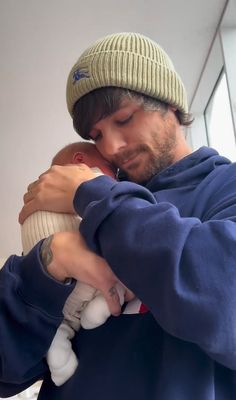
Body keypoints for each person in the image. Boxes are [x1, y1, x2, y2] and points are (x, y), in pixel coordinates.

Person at [1, 32, 236, 400]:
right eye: (96, 135)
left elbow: (226, 308)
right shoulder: (82, 217)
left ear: (170, 103)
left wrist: (92, 195)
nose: (110, 147)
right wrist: (51, 259)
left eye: (124, 119)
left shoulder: (226, 188)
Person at [21, 141, 127, 387]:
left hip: (57, 299)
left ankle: (57, 343)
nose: (118, 180)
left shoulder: (34, 207)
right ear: (80, 162)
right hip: (93, 281)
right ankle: (98, 305)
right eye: (114, 171)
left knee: (59, 324)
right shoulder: (93, 184)